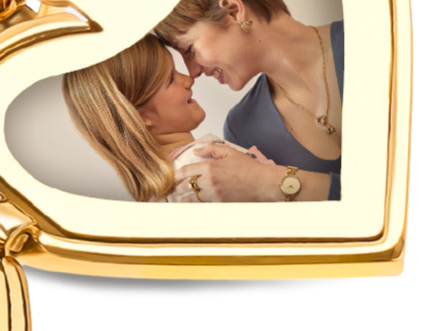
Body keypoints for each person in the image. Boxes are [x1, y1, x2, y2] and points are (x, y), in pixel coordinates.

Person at [155, 0, 341, 203]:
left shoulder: (377, 41)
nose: (192, 73)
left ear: (233, 11)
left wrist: (270, 181)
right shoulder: (242, 129)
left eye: (190, 49)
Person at [60, 33, 272, 203]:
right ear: (139, 117)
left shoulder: (169, 184)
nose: (188, 79)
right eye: (171, 79)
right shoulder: (199, 167)